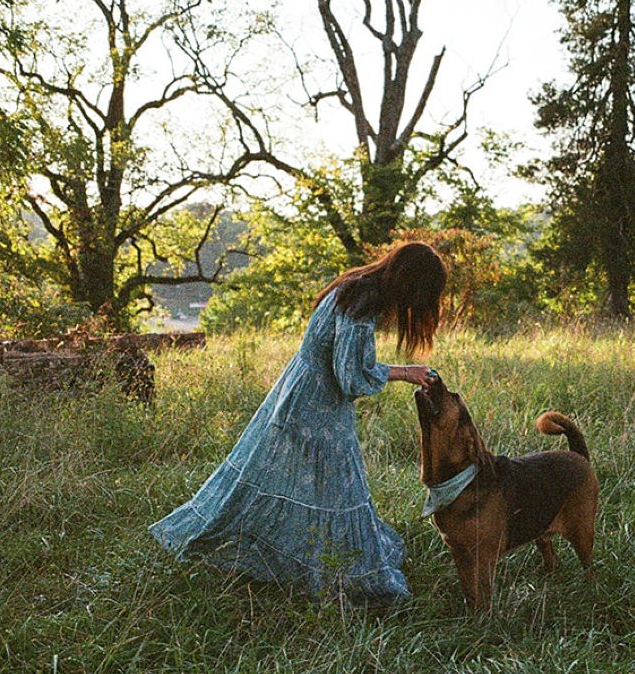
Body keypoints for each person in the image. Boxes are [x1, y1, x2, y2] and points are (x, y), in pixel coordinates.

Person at [148, 241, 445, 600]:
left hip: (301, 392)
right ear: (410, 282)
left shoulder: (355, 285)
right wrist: (406, 372)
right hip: (316, 404)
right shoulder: (364, 302)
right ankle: (339, 571)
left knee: (299, 484)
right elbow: (350, 377)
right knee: (337, 489)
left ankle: (314, 558)